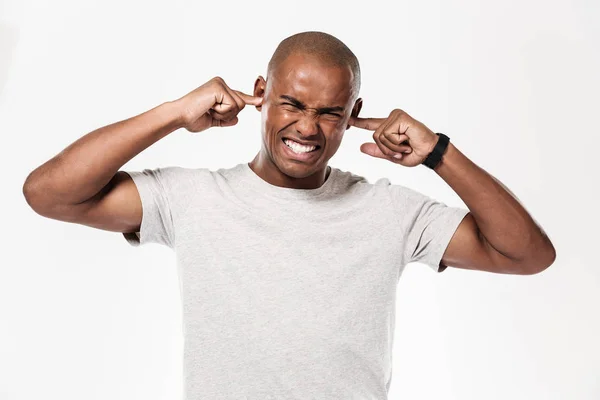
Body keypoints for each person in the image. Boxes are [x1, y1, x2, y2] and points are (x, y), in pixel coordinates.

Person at [23, 31, 556, 399]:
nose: (308, 128)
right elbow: (50, 194)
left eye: (330, 112)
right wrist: (172, 115)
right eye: (293, 104)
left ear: (353, 115)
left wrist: (440, 152)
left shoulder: (390, 210)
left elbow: (528, 254)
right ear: (260, 94)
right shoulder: (194, 198)